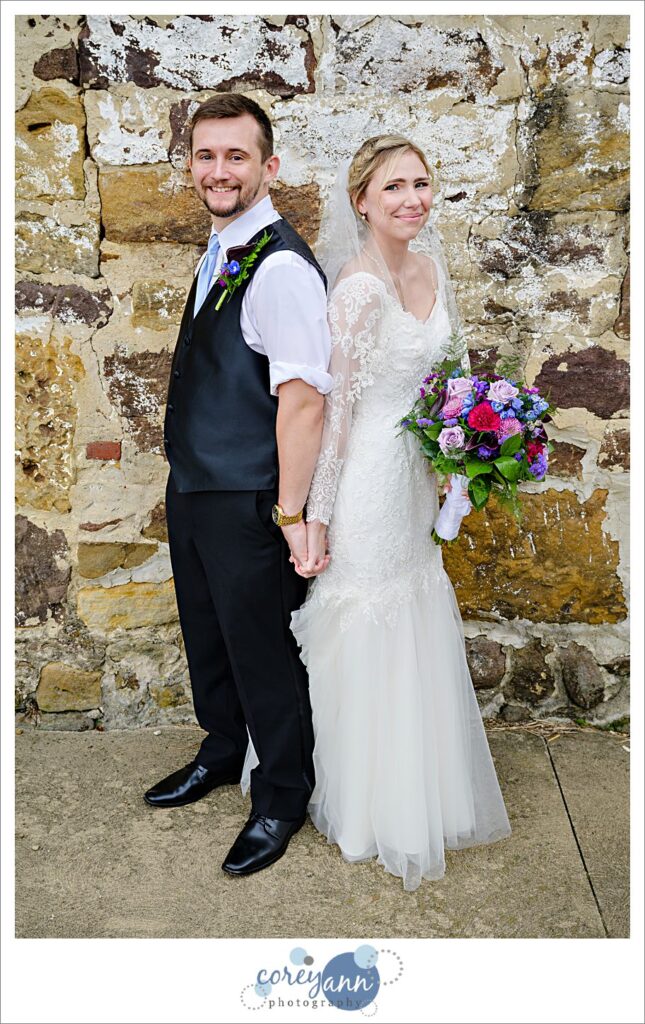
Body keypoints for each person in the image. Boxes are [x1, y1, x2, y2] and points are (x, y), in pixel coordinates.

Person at [241, 135, 513, 891]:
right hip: (362, 481)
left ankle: (416, 784)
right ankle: (356, 799)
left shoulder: (429, 270)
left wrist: (465, 456)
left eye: (422, 183)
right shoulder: (357, 289)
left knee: (415, 611)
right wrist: (314, 517)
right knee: (363, 621)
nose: (412, 199)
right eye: (394, 187)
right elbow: (335, 412)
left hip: (416, 479)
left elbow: (449, 383)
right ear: (360, 200)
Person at [143, 93, 333, 878]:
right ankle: (223, 751)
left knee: (263, 653)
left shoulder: (281, 266)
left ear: (268, 167)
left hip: (250, 495)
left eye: (235, 156)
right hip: (195, 486)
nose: (217, 171)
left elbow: (304, 401)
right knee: (208, 637)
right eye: (205, 155)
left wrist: (291, 512)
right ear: (190, 164)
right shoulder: (220, 245)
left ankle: (281, 794)